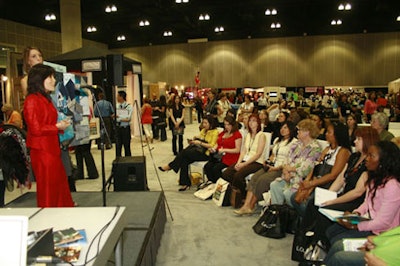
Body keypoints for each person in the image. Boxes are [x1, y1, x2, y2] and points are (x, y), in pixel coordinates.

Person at [297, 126, 379, 252]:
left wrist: (333, 201)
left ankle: (321, 245)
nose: (355, 141)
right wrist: (327, 195)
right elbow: (341, 178)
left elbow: (358, 192)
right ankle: (304, 239)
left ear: (367, 141)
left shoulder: (370, 164)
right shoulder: (354, 157)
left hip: (355, 202)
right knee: (314, 203)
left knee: (323, 210)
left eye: (358, 139)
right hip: (343, 195)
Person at [324, 141, 400, 265]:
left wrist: (356, 226)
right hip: (372, 226)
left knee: (339, 248)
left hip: (382, 232)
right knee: (332, 231)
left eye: (371, 156)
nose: (367, 159)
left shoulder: (392, 186)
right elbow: (367, 203)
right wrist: (355, 214)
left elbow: (383, 222)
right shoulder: (374, 178)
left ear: (383, 161)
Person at [23, 64, 74, 207]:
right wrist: (57, 127)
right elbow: (36, 129)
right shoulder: (32, 100)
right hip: (42, 151)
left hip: (52, 149)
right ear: (39, 79)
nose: (53, 80)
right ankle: (47, 221)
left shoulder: (44, 98)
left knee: (59, 186)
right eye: (50, 77)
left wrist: (59, 126)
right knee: (48, 189)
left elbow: (45, 123)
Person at [235, 121, 297, 215]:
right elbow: (273, 155)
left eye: (285, 128)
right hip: (272, 166)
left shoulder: (294, 143)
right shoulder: (278, 140)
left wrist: (276, 168)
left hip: (282, 169)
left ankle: (251, 205)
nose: (282, 130)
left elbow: (290, 161)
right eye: (282, 128)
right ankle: (246, 205)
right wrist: (268, 161)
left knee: (262, 180)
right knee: (255, 177)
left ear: (291, 129)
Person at [291, 122, 351, 216]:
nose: (326, 134)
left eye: (329, 132)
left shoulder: (343, 152)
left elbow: (333, 175)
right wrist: (307, 182)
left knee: (309, 203)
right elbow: (316, 167)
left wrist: (311, 183)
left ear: (337, 135)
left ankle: (309, 224)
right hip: (318, 183)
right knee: (294, 197)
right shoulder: (327, 149)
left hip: (330, 187)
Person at [269, 119, 322, 208]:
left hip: (300, 181)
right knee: (274, 185)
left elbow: (306, 169)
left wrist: (290, 169)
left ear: (307, 132)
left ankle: (290, 217)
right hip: (288, 176)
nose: (297, 132)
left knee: (287, 193)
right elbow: (286, 160)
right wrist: (286, 172)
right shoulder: (296, 144)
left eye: (299, 130)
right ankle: (278, 213)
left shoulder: (315, 148)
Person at [159, 115, 219, 191]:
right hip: (198, 151)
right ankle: (185, 183)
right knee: (184, 159)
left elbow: (212, 145)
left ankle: (170, 166)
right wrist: (194, 139)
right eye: (203, 123)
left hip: (206, 154)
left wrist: (200, 142)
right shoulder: (204, 130)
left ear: (211, 123)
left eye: (206, 123)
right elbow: (200, 137)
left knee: (184, 153)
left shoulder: (215, 132)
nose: (204, 125)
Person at [222, 114, 267, 209]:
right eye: (250, 121)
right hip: (245, 160)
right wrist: (239, 162)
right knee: (227, 173)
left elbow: (258, 154)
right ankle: (243, 191)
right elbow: (243, 151)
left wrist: (244, 164)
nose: (251, 123)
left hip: (256, 162)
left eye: (254, 120)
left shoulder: (261, 135)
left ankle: (242, 196)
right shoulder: (248, 135)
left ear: (258, 123)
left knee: (238, 175)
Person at [204, 115, 242, 183]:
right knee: (207, 166)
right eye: (225, 124)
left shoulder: (237, 134)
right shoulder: (223, 132)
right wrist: (213, 149)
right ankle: (212, 182)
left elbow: (237, 150)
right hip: (220, 156)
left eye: (228, 124)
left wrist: (224, 150)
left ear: (232, 124)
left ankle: (218, 184)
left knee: (216, 169)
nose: (226, 126)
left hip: (231, 158)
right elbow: (218, 143)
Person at [115, 91, 132, 157]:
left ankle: (128, 162)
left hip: (125, 128)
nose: (117, 97)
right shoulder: (116, 106)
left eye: (118, 96)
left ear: (121, 97)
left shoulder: (129, 106)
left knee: (127, 146)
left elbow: (128, 118)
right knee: (118, 147)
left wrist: (119, 117)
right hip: (118, 128)